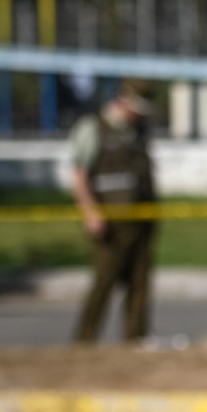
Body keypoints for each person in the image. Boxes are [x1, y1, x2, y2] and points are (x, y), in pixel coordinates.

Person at [71, 80, 157, 343]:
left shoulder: (139, 131)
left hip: (141, 219)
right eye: (136, 108)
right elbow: (79, 176)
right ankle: (85, 341)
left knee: (140, 286)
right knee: (103, 283)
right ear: (123, 101)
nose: (139, 115)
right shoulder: (93, 128)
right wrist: (90, 212)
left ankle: (135, 341)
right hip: (110, 222)